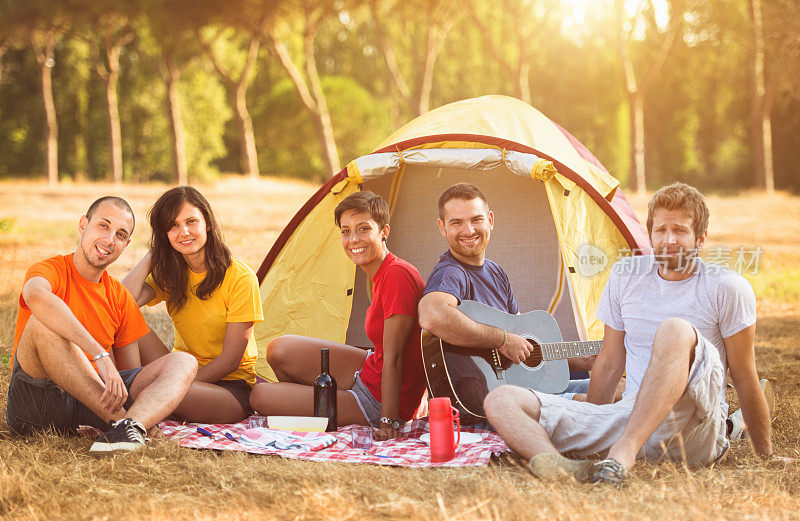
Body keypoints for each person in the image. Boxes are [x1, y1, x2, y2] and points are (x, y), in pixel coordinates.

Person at [483, 182, 774, 487]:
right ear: (650, 234)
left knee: (674, 329)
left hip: (695, 427)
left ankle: (623, 453)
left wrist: (765, 455)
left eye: (680, 231)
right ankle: (558, 464)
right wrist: (591, 421)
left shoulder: (727, 286)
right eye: (660, 230)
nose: (668, 240)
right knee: (501, 399)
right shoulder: (626, 276)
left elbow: (743, 374)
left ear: (700, 238)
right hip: (630, 413)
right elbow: (609, 362)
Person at [5, 196, 197, 455]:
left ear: (126, 244)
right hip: (40, 403)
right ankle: (121, 423)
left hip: (95, 405)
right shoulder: (50, 269)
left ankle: (130, 427)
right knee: (42, 324)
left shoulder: (117, 295)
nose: (109, 240)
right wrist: (100, 356)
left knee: (184, 361)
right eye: (103, 226)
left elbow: (131, 375)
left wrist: (137, 411)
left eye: (120, 234)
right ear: (84, 225)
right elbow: (36, 296)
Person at [249, 191, 427, 440]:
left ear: (384, 231)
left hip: (380, 401)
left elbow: (395, 358)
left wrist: (388, 422)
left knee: (260, 396)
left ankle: (317, 405)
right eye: (345, 231)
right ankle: (315, 402)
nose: (353, 239)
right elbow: (386, 354)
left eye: (364, 229)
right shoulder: (382, 272)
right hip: (369, 368)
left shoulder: (398, 275)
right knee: (279, 349)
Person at [417, 183, 596, 408]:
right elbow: (432, 315)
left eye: (476, 220)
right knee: (597, 401)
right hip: (490, 400)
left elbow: (524, 345)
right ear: (442, 228)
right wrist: (501, 340)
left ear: (490, 220)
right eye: (456, 223)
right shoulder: (451, 273)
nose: (469, 230)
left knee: (616, 387)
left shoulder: (495, 272)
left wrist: (588, 359)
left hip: (522, 390)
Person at [123, 186, 264, 424]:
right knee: (125, 320)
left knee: (162, 394)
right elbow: (121, 303)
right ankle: (130, 387)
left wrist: (172, 384)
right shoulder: (171, 274)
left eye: (191, 221)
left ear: (207, 223)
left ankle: (126, 401)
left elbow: (230, 360)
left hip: (229, 388)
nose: (184, 232)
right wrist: (154, 253)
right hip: (179, 370)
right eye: (173, 226)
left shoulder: (241, 278)